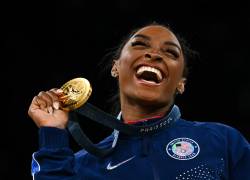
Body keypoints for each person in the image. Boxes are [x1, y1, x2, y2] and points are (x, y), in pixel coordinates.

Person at [28, 23, 250, 180]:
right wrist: (53, 134)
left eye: (171, 53)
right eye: (140, 45)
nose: (154, 54)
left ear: (181, 83)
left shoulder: (223, 142)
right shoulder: (82, 165)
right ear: (116, 67)